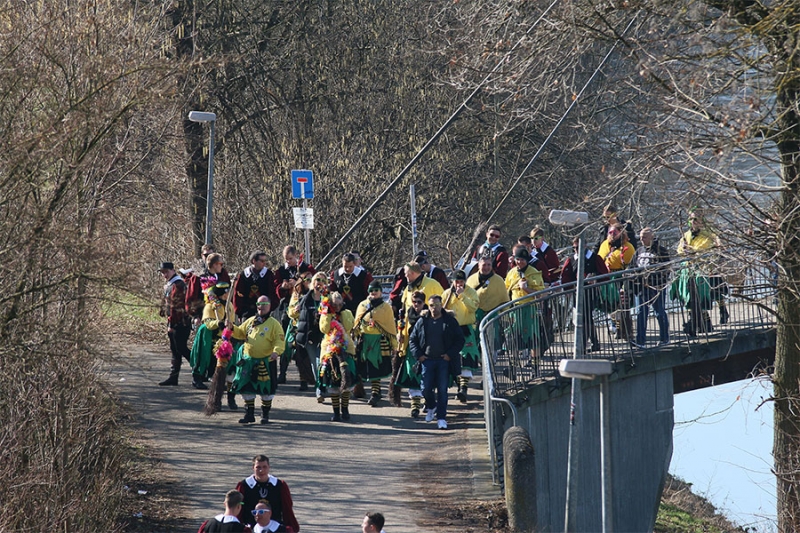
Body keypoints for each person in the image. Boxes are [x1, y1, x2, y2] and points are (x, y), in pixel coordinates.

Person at [409, 294, 465, 430]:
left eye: (437, 305)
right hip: (427, 360)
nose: (434, 308)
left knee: (442, 390)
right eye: (432, 305)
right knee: (425, 388)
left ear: (441, 305)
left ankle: (441, 418)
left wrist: (449, 355)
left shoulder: (450, 321)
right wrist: (419, 356)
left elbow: (460, 340)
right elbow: (413, 340)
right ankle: (431, 406)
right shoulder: (423, 321)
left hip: (443, 361)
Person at [228, 296, 285, 424]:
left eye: (265, 303)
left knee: (267, 389)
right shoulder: (250, 321)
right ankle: (249, 414)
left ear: (270, 306)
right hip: (248, 361)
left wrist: (276, 352)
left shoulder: (274, 324)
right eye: (259, 303)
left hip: (266, 362)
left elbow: (279, 340)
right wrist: (231, 327)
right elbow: (240, 333)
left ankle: (265, 415)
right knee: (247, 387)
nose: (262, 306)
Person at [673, 208, 728, 335]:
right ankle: (699, 320)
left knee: (714, 292)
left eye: (697, 219)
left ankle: (720, 311)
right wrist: (684, 250)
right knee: (690, 295)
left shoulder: (709, 233)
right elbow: (680, 249)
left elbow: (711, 246)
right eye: (692, 219)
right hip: (691, 269)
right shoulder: (686, 235)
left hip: (707, 268)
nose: (694, 222)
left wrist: (694, 251)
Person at [273, 245, 316, 383]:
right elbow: (276, 289)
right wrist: (283, 287)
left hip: (305, 306)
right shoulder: (281, 270)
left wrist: (299, 283)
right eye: (286, 259)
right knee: (286, 342)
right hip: (288, 305)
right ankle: (283, 372)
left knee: (302, 345)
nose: (288, 261)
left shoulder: (307, 268)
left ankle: (305, 375)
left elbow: (314, 283)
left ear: (295, 255)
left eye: (290, 258)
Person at [352, 280, 398, 407]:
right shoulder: (362, 305)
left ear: (380, 292)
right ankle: (369, 391)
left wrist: (395, 346)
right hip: (364, 340)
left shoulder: (386, 307)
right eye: (371, 290)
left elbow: (390, 326)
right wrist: (354, 336)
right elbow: (357, 322)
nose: (373, 293)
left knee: (376, 367)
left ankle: (375, 392)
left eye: (376, 290)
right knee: (365, 367)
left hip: (379, 340)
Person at [561, 235, 610, 352]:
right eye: (574, 248)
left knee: (585, 318)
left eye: (578, 247)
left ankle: (582, 345)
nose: (576, 250)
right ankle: (593, 342)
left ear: (585, 246)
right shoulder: (571, 259)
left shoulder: (594, 258)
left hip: (591, 292)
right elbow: (565, 276)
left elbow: (604, 275)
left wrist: (595, 278)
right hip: (577, 293)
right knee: (584, 318)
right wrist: (568, 289)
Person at [441, 270, 480, 403]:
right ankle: (458, 386)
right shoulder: (446, 294)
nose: (459, 284)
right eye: (457, 281)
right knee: (453, 358)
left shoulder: (471, 292)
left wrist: (462, 296)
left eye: (462, 281)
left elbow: (473, 308)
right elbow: (441, 310)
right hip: (451, 330)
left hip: (465, 329)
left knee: (466, 359)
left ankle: (463, 388)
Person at [318, 291, 357, 421]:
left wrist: (342, 314)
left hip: (346, 349)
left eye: (340, 304)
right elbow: (324, 329)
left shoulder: (347, 313)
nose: (338, 307)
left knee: (347, 380)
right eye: (335, 305)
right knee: (333, 381)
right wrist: (328, 313)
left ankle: (345, 410)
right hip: (330, 350)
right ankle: (336, 412)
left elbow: (348, 326)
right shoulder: (326, 314)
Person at [236, 455, 299, 532]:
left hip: (276, 528)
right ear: (253, 468)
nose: (261, 470)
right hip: (250, 528)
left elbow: (287, 508)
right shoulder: (244, 486)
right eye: (258, 467)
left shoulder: (279, 485)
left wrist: (291, 527)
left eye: (264, 467)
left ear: (269, 467)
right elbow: (238, 507)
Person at [189, 279, 233, 391]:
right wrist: (218, 323)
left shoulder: (229, 306)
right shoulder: (210, 306)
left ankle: (216, 379)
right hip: (207, 334)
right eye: (226, 293)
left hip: (221, 335)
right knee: (203, 356)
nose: (228, 295)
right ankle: (197, 378)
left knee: (218, 358)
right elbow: (208, 323)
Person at [505, 247, 547, 358]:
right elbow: (506, 289)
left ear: (527, 260)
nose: (519, 262)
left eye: (522, 259)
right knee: (513, 338)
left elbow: (540, 294)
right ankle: (513, 367)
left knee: (533, 339)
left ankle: (535, 366)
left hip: (530, 309)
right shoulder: (512, 272)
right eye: (518, 259)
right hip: (515, 309)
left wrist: (526, 289)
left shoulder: (534, 273)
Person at [632, 227, 671, 347]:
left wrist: (661, 282)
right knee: (641, 313)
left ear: (652, 237)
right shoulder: (638, 251)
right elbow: (632, 267)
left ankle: (665, 338)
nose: (642, 239)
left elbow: (667, 268)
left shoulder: (661, 251)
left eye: (644, 237)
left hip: (656, 286)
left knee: (659, 312)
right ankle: (640, 341)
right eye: (641, 237)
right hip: (642, 287)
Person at [598, 223, 635, 341]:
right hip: (608, 279)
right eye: (610, 232)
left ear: (621, 233)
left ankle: (625, 331)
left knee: (622, 305)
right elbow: (600, 258)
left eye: (615, 232)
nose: (612, 235)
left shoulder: (627, 247)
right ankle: (616, 327)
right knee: (611, 306)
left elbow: (630, 264)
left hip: (620, 277)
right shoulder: (605, 245)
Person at [294, 272, 328, 401]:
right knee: (315, 363)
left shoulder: (328, 298)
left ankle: (323, 386)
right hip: (310, 336)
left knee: (322, 362)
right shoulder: (305, 299)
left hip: (324, 336)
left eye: (322, 280)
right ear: (312, 282)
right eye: (317, 280)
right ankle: (319, 389)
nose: (319, 282)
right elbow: (293, 312)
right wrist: (295, 310)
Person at [394, 291, 428, 417]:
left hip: (425, 350)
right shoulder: (408, 313)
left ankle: (427, 401)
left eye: (419, 302)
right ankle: (415, 406)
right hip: (411, 349)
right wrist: (400, 335)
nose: (416, 305)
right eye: (414, 302)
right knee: (412, 375)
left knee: (424, 376)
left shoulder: (428, 314)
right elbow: (403, 327)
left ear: (423, 303)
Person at [158, 262, 191, 386]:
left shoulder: (178, 284)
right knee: (175, 350)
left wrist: (171, 324)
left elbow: (176, 306)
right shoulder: (170, 284)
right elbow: (167, 302)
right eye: (162, 272)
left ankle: (199, 372)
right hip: (174, 321)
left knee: (181, 348)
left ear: (173, 270)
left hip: (180, 322)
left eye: (166, 272)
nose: (164, 275)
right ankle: (173, 376)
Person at [284, 274, 317, 391]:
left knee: (313, 356)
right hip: (299, 327)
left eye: (311, 279)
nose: (308, 281)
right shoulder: (296, 294)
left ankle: (316, 379)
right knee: (300, 356)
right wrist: (299, 310)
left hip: (313, 328)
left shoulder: (316, 293)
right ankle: (303, 379)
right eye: (306, 279)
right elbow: (291, 312)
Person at [186, 246, 231, 327]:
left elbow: (229, 293)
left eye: (211, 255)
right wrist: (195, 315)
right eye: (206, 255)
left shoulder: (222, 273)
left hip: (221, 313)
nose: (208, 258)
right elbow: (191, 297)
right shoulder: (198, 275)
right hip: (204, 314)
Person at [232, 250, 276, 322]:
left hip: (264, 311)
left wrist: (270, 309)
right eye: (261, 261)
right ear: (254, 261)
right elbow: (238, 294)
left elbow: (272, 293)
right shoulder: (244, 275)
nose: (264, 263)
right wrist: (239, 312)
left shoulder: (268, 275)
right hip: (246, 311)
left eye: (265, 261)